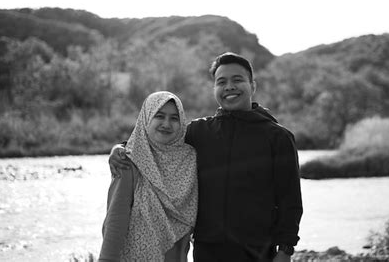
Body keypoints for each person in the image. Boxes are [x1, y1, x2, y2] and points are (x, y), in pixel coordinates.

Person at [109, 52, 302, 262]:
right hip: (207, 250)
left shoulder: (278, 137)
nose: (229, 87)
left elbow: (290, 200)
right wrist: (120, 148)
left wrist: (285, 251)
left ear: (252, 86)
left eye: (237, 80)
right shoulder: (199, 132)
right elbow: (156, 140)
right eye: (221, 82)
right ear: (215, 89)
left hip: (258, 251)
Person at [99, 91, 198, 262]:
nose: (166, 124)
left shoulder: (190, 159)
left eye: (174, 118)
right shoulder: (128, 161)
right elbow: (115, 222)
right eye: (159, 116)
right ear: (146, 118)